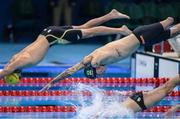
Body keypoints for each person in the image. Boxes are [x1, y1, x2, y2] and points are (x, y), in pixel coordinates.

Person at [40, 17, 180, 91]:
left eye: (99, 73)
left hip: (141, 34)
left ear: (96, 67)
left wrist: (92, 66)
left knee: (169, 21)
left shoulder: (96, 59)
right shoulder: (98, 62)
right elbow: (70, 71)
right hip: (144, 42)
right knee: (175, 32)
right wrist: (52, 82)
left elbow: (91, 62)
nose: (102, 74)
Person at [0, 9, 131, 78]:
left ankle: (121, 30)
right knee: (84, 27)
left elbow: (5, 71)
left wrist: (7, 74)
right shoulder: (15, 59)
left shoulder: (19, 62)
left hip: (54, 37)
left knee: (90, 32)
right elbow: (7, 68)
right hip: (48, 32)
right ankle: (110, 15)